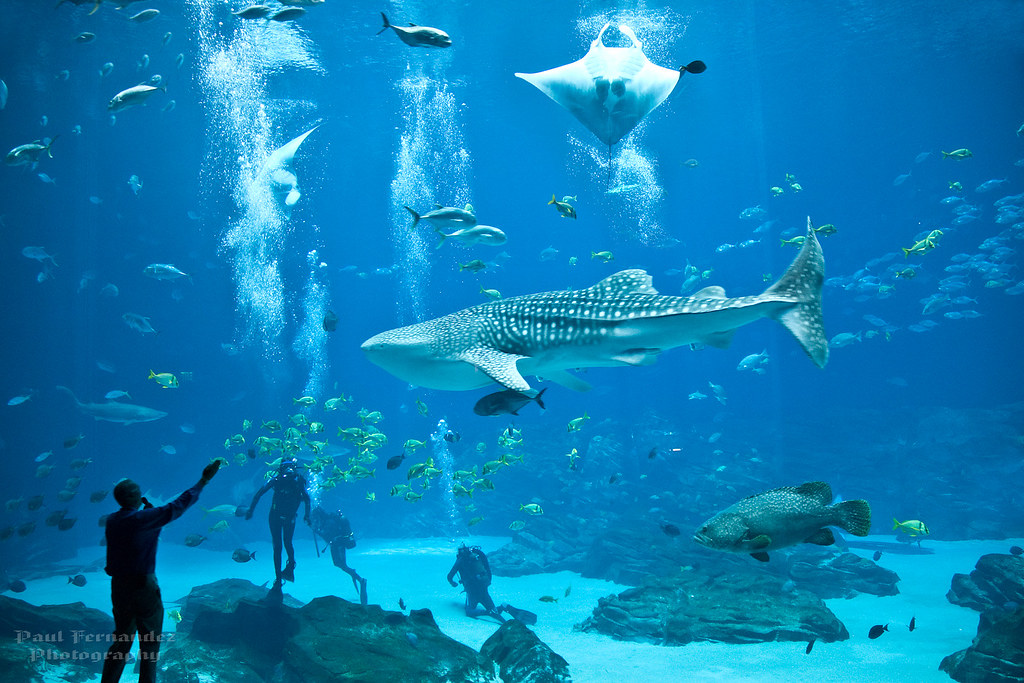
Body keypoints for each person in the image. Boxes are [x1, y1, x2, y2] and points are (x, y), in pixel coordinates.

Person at [101, 460, 221, 683]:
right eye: (137, 491)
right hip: (143, 586)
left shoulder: (112, 520)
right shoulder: (143, 518)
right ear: (132, 497)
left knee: (121, 641)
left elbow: (134, 532)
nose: (140, 493)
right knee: (150, 643)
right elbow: (177, 507)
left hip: (119, 586)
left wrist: (149, 516)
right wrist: (203, 480)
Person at [245, 458, 310, 585]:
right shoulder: (284, 480)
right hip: (281, 517)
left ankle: (286, 570)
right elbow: (307, 500)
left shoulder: (287, 480)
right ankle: (283, 573)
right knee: (283, 544)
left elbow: (259, 494)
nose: (288, 471)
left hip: (281, 516)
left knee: (281, 545)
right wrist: (307, 515)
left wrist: (251, 510)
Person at [309, 506, 367, 605]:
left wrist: (317, 531)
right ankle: (355, 575)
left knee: (341, 564)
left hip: (339, 545)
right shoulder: (328, 520)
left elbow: (327, 537)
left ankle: (360, 579)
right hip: (336, 545)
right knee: (338, 564)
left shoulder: (329, 522)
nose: (315, 520)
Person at [447, 544, 505, 622]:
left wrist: (453, 583)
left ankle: (487, 612)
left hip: (471, 590)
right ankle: (503, 607)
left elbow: (450, 576)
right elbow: (487, 568)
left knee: (469, 612)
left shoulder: (461, 560)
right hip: (483, 586)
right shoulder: (477, 556)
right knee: (493, 609)